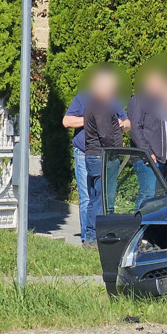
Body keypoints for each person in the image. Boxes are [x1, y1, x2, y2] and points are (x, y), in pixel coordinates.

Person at [62, 67, 129, 247]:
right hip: (87, 152)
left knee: (96, 196)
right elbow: (67, 121)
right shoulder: (84, 99)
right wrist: (91, 121)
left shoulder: (111, 102)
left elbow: (127, 122)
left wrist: (120, 125)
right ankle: (89, 237)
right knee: (90, 197)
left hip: (97, 153)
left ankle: (92, 236)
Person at [83, 68, 124, 249]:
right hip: (102, 156)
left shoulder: (93, 103)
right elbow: (105, 134)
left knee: (94, 199)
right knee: (102, 199)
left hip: (94, 155)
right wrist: (115, 149)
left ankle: (91, 237)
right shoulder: (100, 106)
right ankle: (97, 239)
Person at [128, 70, 167, 209]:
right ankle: (135, 227)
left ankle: (148, 227)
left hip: (159, 157)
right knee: (147, 194)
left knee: (156, 198)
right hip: (146, 157)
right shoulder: (140, 100)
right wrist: (147, 151)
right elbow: (134, 128)